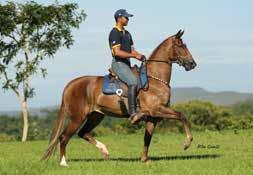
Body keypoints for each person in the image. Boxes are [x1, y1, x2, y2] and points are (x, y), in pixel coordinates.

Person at [108, 9, 144, 123]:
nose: (128, 19)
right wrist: (134, 56)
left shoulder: (128, 34)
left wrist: (141, 56)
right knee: (133, 82)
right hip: (118, 64)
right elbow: (117, 52)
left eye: (128, 17)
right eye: (126, 17)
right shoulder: (114, 32)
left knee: (141, 80)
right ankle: (133, 113)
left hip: (127, 64)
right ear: (119, 18)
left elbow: (133, 51)